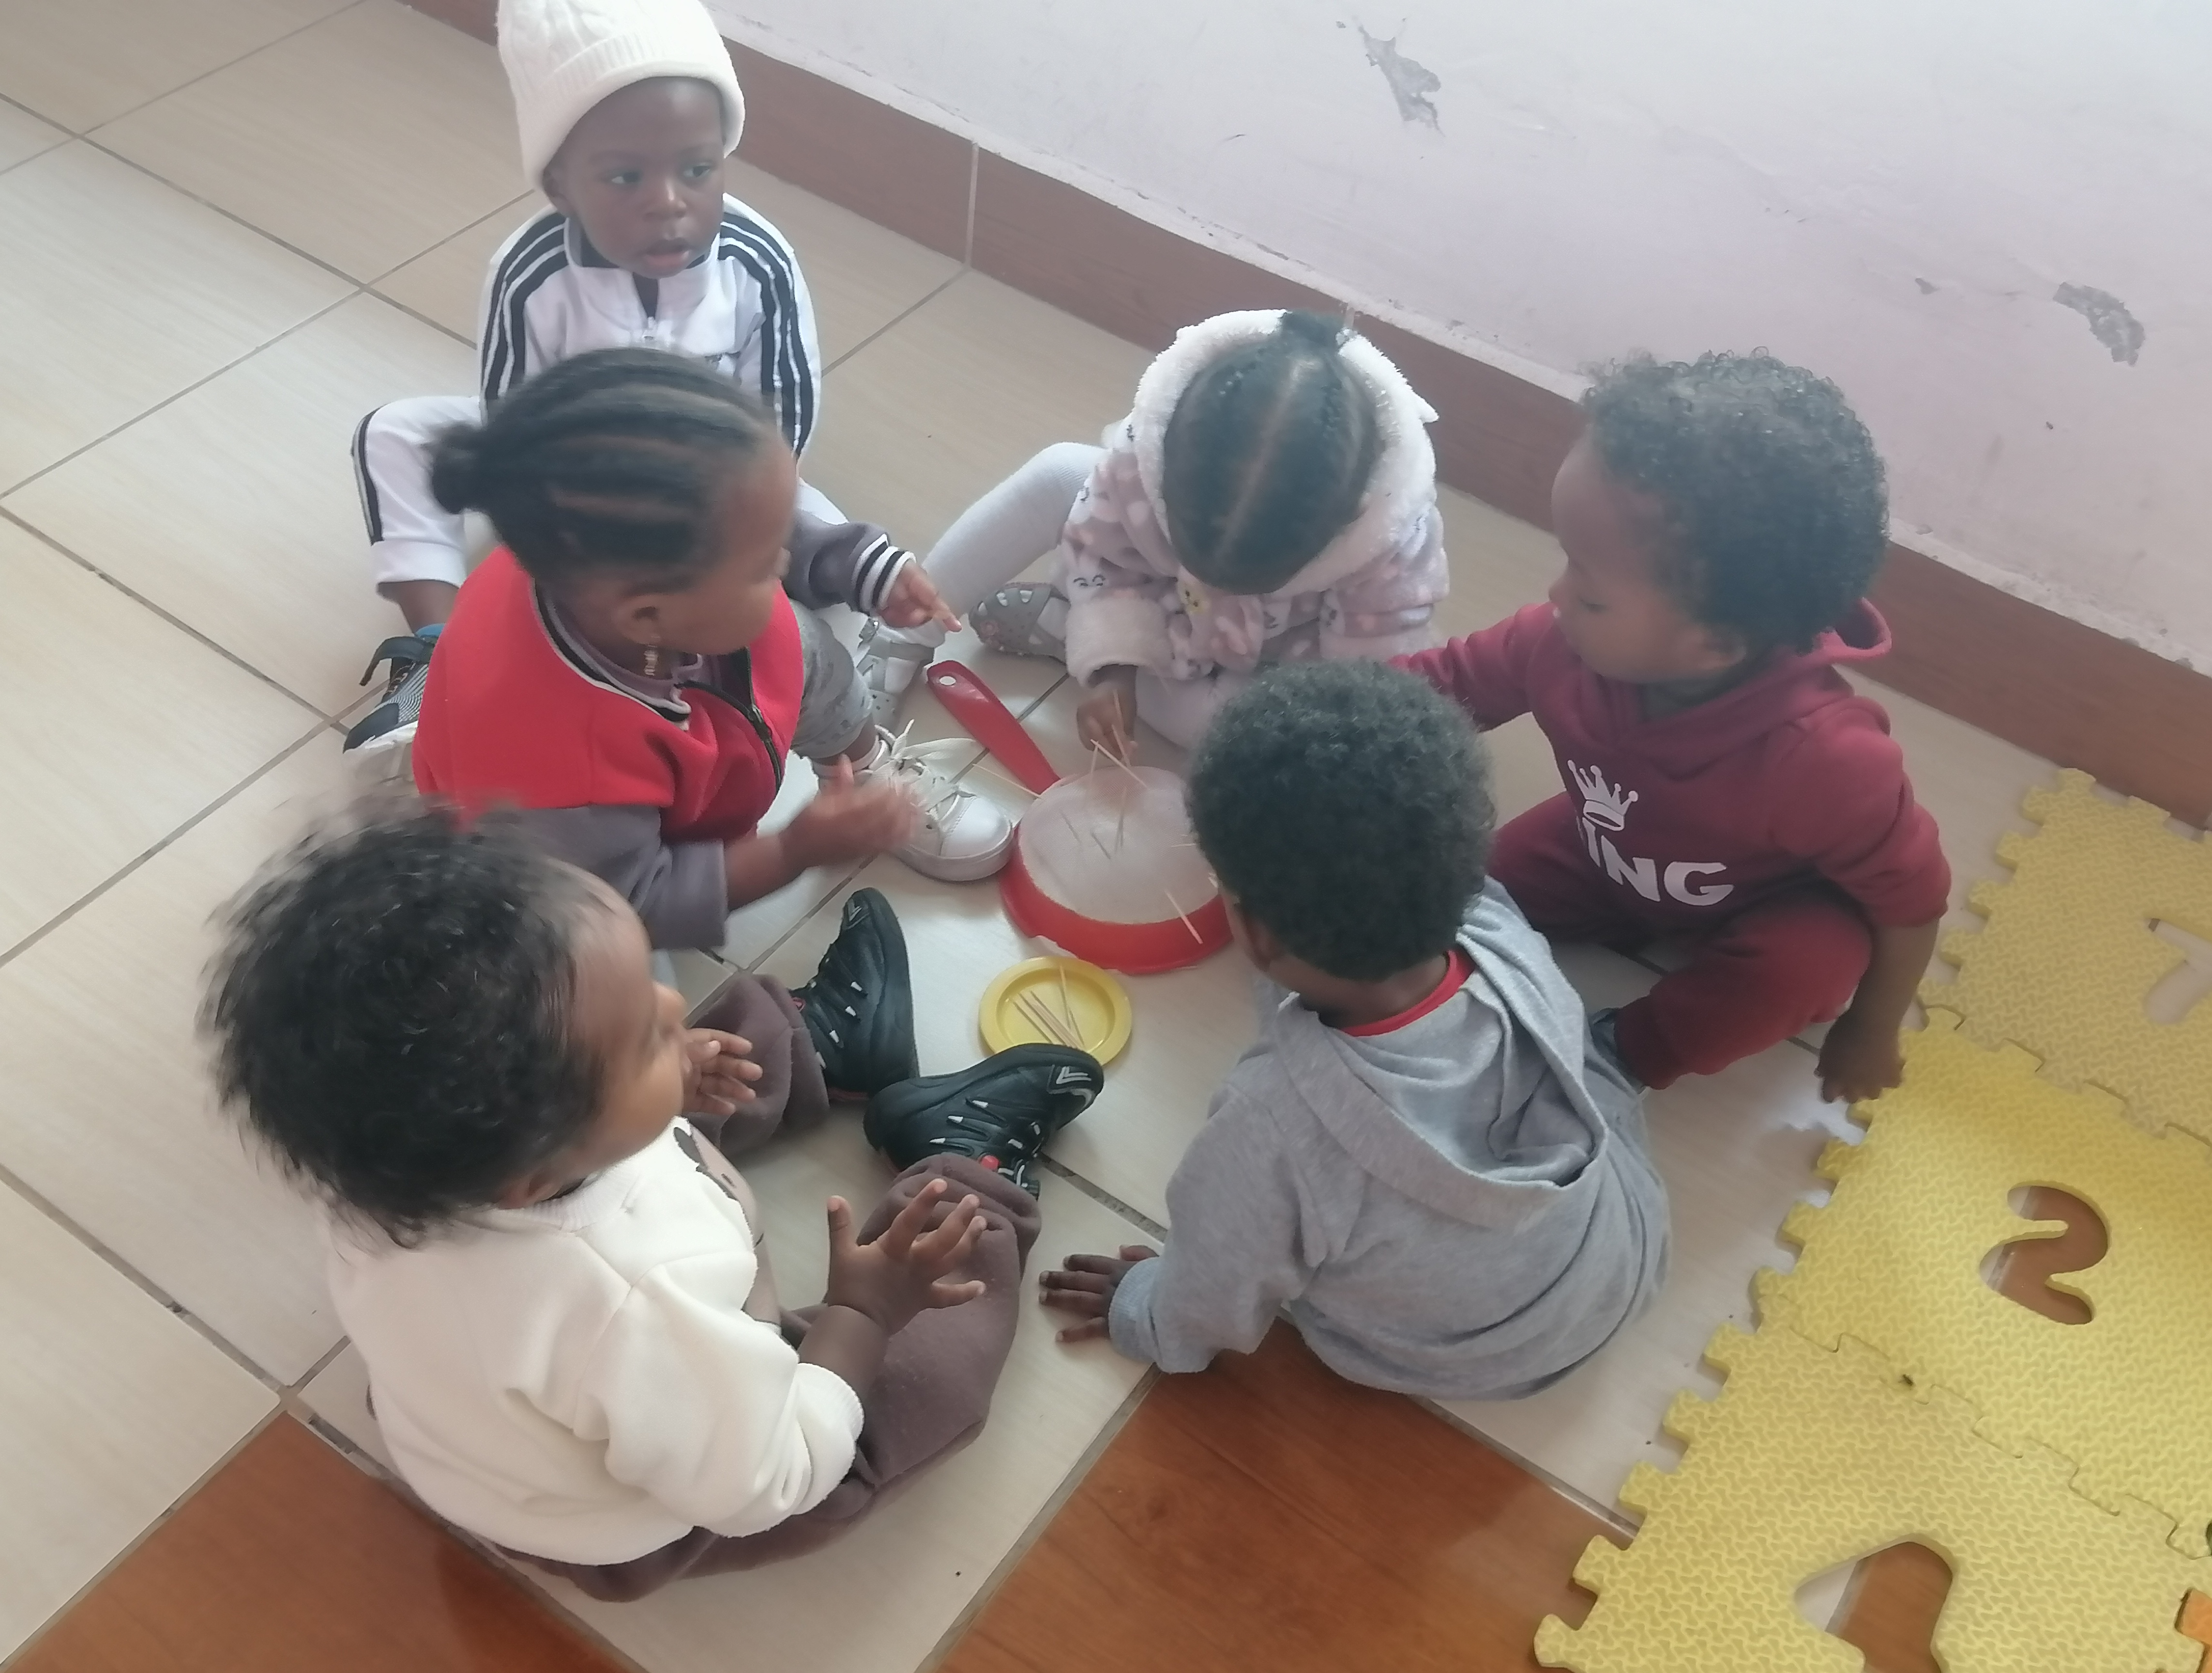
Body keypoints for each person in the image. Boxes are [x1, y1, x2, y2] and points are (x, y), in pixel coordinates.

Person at [202, 808, 1102, 1599]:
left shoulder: (384, 1162)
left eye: (647, 981)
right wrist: (864, 1314)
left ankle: (824, 1046)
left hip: (491, 1398)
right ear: (532, 1177)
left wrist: (656, 1064)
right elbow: (771, 1477)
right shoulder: (633, 1299)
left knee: (643, 1052)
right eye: (645, 1033)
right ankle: (970, 1166)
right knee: (906, 1407)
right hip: (637, 1512)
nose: (672, 999)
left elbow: (585, 1092)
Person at [346, 0, 952, 775]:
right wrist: (591, 534)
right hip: (583, 497)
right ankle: (441, 654)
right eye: (626, 176)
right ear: (561, 184)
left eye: (696, 169)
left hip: (731, 481)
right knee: (394, 434)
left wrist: (737, 532)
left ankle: (845, 677)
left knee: (821, 541)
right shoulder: (529, 274)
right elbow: (513, 419)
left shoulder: (758, 260)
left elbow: (783, 426)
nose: (667, 201)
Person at [1040, 661, 1668, 1400]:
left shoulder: (1270, 1125)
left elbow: (1209, 1296)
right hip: (1623, 1254)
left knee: (1288, 1237)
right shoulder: (1501, 929)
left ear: (1256, 932)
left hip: (1474, 1356)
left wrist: (1143, 1310)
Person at [1397, 352, 1950, 1100]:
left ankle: (1616, 1058)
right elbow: (1433, 689)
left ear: (1715, 645)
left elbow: (1912, 902)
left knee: (1802, 969)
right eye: (1567, 562)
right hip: (1607, 854)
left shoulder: (1827, 761)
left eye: (1591, 592)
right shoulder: (1558, 642)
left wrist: (1872, 1031)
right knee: (1457, 895)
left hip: (1771, 905)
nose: (1557, 594)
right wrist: (1293, 731)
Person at [412, 350, 1014, 959]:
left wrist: (859, 566)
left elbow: (751, 520)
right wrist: (793, 849)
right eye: (764, 565)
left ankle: (865, 769)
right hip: (591, 877)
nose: (786, 562)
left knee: (804, 647)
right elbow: (637, 902)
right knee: (602, 970)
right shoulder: (566, 777)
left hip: (701, 690)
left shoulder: (609, 562)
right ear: (648, 615)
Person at [856, 309, 1448, 754]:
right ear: (1163, 462)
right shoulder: (1145, 454)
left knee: (1251, 734)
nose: (1217, 582)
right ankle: (903, 631)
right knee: (1061, 471)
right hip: (1158, 598)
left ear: (1345, 524)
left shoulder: (1389, 548)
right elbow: (1105, 552)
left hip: (1265, 662)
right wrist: (1113, 671)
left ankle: (1065, 632)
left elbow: (1357, 696)